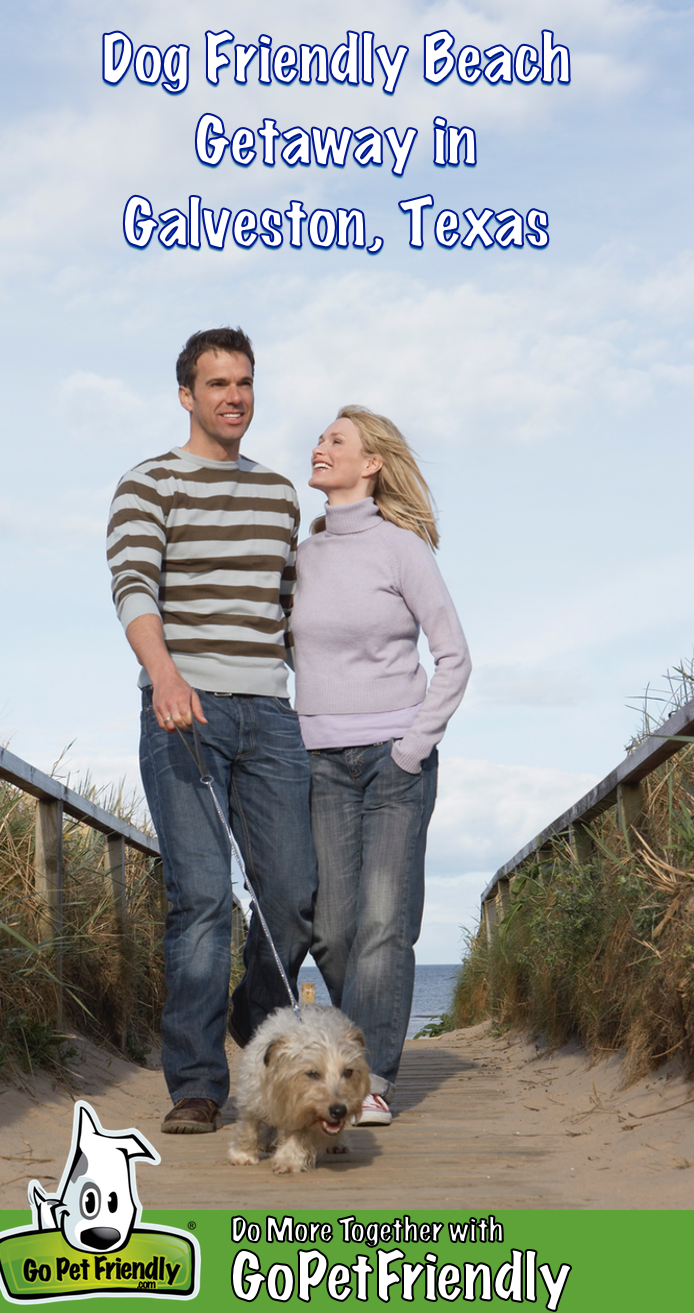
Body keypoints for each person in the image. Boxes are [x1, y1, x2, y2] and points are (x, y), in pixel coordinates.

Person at [106, 328, 317, 1133]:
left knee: (293, 896)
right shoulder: (148, 482)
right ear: (186, 394)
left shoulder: (279, 495)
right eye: (217, 382)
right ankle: (196, 1082)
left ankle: (251, 1011)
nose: (234, 396)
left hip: (270, 715)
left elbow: (291, 616)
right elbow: (133, 585)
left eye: (246, 382)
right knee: (200, 898)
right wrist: (164, 674)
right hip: (183, 707)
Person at [291, 405, 471, 1125]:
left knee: (386, 923)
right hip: (320, 762)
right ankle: (354, 1055)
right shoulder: (301, 553)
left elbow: (454, 656)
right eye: (320, 437)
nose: (320, 446)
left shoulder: (403, 550)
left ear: (372, 464)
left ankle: (369, 1082)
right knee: (334, 928)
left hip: (397, 758)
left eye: (337, 439)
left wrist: (412, 746)